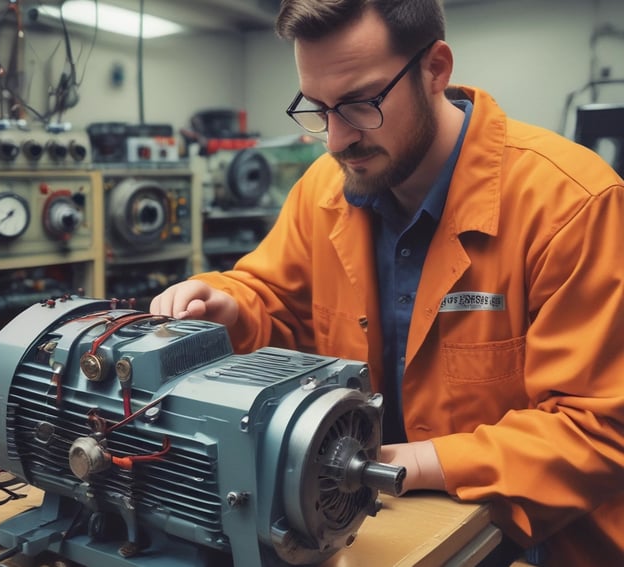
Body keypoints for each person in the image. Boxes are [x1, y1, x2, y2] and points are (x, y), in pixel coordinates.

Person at [150, 1, 624, 565]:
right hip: (359, 525)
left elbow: (597, 430)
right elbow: (276, 302)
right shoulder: (323, 191)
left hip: (536, 540)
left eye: (360, 104)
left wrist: (411, 464)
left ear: (435, 69)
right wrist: (230, 305)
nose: (335, 140)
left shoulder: (571, 204)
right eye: (319, 108)